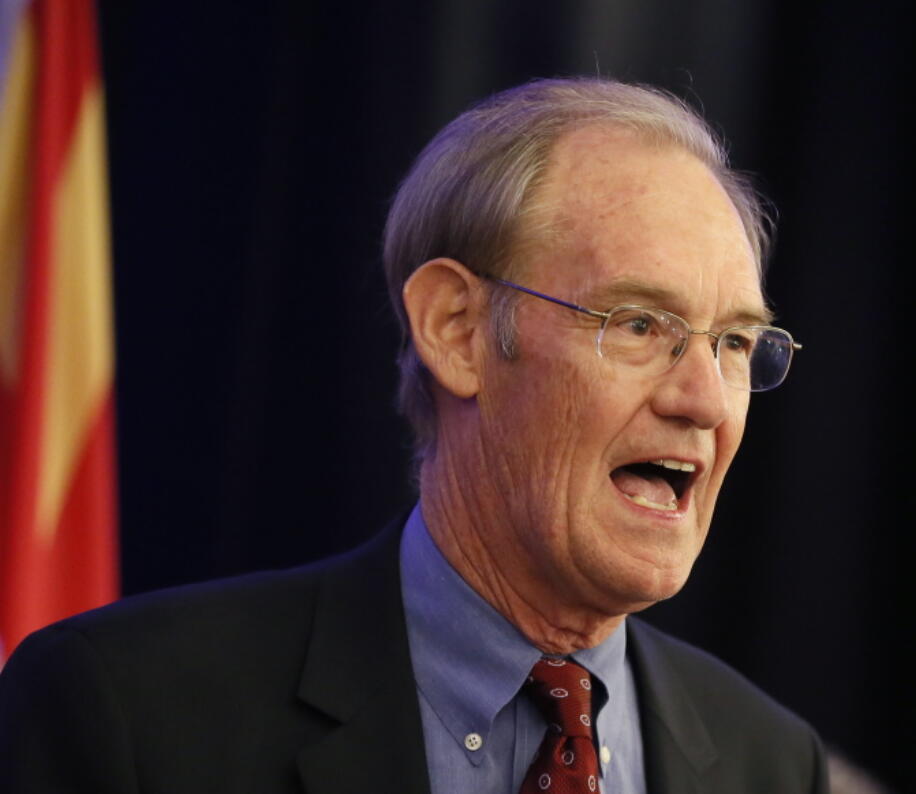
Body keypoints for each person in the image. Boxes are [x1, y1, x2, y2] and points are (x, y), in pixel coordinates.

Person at [0, 77, 827, 793]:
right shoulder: (129, 715)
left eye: (735, 344)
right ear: (457, 329)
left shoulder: (772, 765)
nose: (707, 401)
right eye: (641, 323)